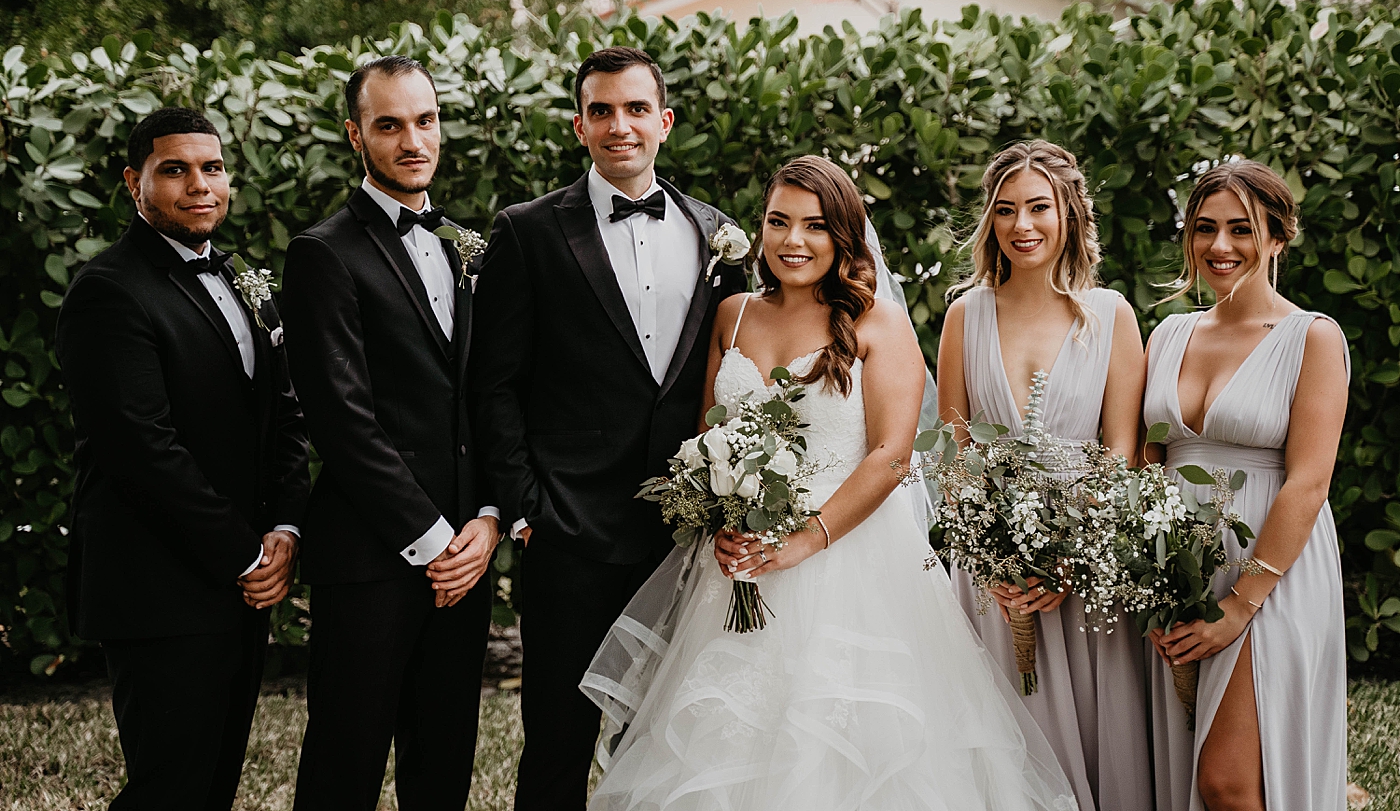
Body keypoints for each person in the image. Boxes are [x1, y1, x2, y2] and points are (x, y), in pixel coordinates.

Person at [584, 155, 1078, 811]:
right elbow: (712, 432)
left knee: (843, 757)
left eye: (814, 226)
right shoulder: (732, 315)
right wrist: (722, 519)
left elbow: (890, 454)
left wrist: (803, 541)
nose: (793, 240)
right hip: (738, 572)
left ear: (844, 235)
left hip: (852, 565)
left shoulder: (878, 323)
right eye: (777, 222)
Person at [469, 45, 749, 810]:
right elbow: (493, 386)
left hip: (684, 540)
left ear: (664, 121)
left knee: (668, 745)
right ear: (578, 125)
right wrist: (528, 508)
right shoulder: (526, 232)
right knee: (558, 740)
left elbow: (736, 380)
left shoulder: (719, 235)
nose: (618, 126)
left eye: (634, 109)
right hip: (568, 535)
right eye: (601, 111)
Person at [56, 106, 310, 810]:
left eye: (212, 168)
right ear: (134, 182)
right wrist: (245, 554)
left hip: (239, 589)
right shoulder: (107, 290)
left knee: (214, 783)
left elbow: (284, 414)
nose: (199, 184)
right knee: (169, 788)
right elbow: (140, 447)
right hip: (158, 587)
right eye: (175, 170)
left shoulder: (243, 278)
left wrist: (286, 530)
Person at [281, 55, 498, 810]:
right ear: (355, 135)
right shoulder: (322, 253)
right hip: (372, 558)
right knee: (345, 763)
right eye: (390, 124)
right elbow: (341, 419)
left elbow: (488, 398)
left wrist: (486, 520)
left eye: (426, 120)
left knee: (442, 766)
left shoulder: (468, 246)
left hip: (466, 562)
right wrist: (433, 539)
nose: (413, 140)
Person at [936, 141, 1152, 810]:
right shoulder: (964, 315)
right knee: (1003, 745)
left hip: (1084, 571)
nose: (1022, 226)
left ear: (1069, 214)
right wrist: (993, 557)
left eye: (1038, 207)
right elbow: (953, 451)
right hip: (991, 577)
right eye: (1006, 211)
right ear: (990, 222)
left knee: (1090, 738)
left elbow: (1122, 450)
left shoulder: (1111, 314)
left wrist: (1070, 555)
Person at [1142, 160, 1349, 811]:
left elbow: (1309, 483)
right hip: (1179, 568)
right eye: (1205, 228)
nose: (1220, 246)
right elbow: (1145, 465)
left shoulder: (1311, 337)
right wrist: (1147, 578)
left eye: (1242, 228)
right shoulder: (1168, 332)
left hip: (1270, 566)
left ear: (1279, 237)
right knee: (1187, 762)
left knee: (1227, 782)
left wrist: (1241, 601)